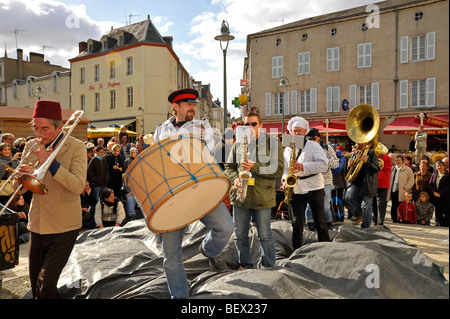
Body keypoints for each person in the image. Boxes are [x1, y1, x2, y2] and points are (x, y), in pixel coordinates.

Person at [152, 88, 234, 299]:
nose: (192, 106)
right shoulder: (161, 129)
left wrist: (207, 140)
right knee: (170, 255)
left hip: (201, 187)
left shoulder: (202, 126)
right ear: (175, 106)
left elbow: (214, 149)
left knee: (226, 227)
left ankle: (209, 250)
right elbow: (156, 160)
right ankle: (180, 297)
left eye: (194, 103)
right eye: (187, 103)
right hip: (173, 194)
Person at [15, 100, 87, 299]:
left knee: (46, 286)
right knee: (36, 287)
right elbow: (19, 191)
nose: (39, 134)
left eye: (45, 129)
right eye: (35, 128)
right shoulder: (31, 145)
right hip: (37, 225)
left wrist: (49, 161)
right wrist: (22, 177)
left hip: (64, 226)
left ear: (59, 127)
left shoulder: (76, 147)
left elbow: (77, 186)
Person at [226, 111, 284, 268]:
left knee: (265, 235)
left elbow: (278, 169)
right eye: (246, 124)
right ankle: (245, 264)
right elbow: (229, 167)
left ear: (261, 126)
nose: (249, 127)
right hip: (240, 196)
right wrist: (235, 178)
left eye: (253, 124)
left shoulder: (273, 142)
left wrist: (255, 167)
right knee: (240, 235)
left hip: (262, 196)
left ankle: (269, 266)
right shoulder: (238, 143)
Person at [281, 119, 329, 249]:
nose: (296, 133)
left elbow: (324, 165)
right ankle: (297, 250)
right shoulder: (288, 149)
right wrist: (285, 180)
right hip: (296, 188)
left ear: (304, 132)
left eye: (299, 131)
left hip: (314, 187)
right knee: (297, 222)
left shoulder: (314, 146)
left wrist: (303, 166)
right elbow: (286, 169)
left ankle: (326, 248)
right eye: (294, 131)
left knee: (320, 221)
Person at [344, 141, 380, 228]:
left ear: (364, 143)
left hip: (367, 183)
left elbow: (376, 168)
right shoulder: (355, 153)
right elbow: (351, 169)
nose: (356, 143)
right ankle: (359, 213)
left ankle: (365, 227)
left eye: (359, 141)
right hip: (356, 182)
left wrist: (367, 161)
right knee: (348, 197)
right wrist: (349, 165)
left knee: (367, 206)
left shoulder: (372, 154)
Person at [305, 137, 339, 229]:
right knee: (309, 206)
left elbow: (336, 164)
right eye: (309, 139)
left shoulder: (327, 148)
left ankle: (328, 225)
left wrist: (323, 161)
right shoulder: (306, 148)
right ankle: (311, 226)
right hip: (310, 180)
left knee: (325, 206)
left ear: (318, 138)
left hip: (325, 181)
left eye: (313, 138)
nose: (311, 141)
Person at [387, 155, 414, 223]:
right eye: (396, 160)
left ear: (402, 161)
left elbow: (411, 180)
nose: (398, 162)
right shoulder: (392, 169)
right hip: (393, 190)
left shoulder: (407, 169)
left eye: (399, 160)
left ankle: (401, 218)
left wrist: (406, 188)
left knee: (401, 205)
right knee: (394, 205)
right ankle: (394, 219)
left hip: (402, 191)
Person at [372, 150, 392, 225]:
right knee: (373, 203)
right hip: (373, 184)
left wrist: (374, 176)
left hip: (382, 184)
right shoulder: (372, 157)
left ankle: (380, 222)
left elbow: (387, 171)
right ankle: (376, 220)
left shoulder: (386, 157)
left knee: (381, 204)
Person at [428, 160, 449, 227]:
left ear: (444, 166)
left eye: (440, 165)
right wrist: (433, 192)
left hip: (445, 197)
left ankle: (446, 225)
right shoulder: (434, 174)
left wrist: (441, 193)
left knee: (446, 211)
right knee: (438, 212)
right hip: (436, 196)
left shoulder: (447, 175)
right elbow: (430, 184)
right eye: (437, 166)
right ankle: (440, 225)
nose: (439, 167)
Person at [331, 145, 347, 222]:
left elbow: (337, 170)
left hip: (340, 184)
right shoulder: (331, 159)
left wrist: (331, 164)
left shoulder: (342, 159)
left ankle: (341, 219)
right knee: (333, 202)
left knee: (338, 202)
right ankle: (336, 218)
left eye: (336, 150)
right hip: (332, 184)